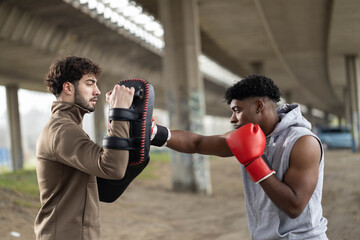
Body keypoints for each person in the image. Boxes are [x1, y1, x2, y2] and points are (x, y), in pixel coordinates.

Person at [152, 74, 328, 239]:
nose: (232, 119)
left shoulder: (303, 141)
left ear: (259, 106)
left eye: (237, 110)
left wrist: (255, 161)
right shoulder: (248, 139)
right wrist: (153, 133)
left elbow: (294, 206)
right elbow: (197, 143)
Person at [34, 56, 135, 239]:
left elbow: (104, 173)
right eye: (89, 84)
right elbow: (112, 167)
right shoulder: (62, 130)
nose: (97, 91)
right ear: (68, 87)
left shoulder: (69, 127)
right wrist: (120, 112)